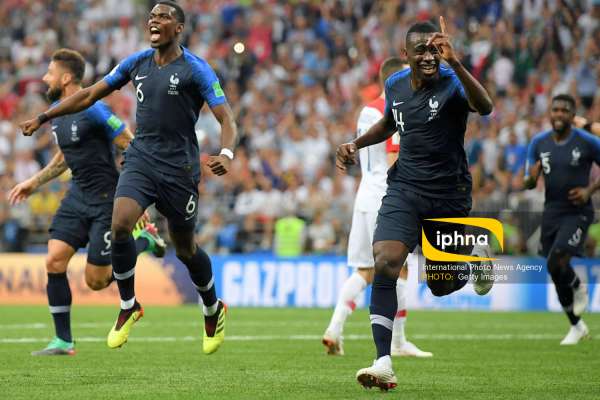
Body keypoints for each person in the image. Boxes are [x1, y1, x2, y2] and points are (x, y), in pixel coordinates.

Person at [19, 1, 238, 354]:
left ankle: (212, 308)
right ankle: (128, 305)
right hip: (141, 159)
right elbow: (89, 94)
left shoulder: (196, 69)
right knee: (120, 224)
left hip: (179, 169)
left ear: (178, 28)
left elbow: (226, 118)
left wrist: (226, 154)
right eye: (151, 16)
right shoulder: (136, 62)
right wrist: (44, 117)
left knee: (185, 249)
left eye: (163, 16)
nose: (154, 20)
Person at [336, 17, 493, 390]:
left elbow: (485, 106)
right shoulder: (395, 84)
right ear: (405, 54)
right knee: (385, 261)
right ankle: (383, 362)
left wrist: (456, 62)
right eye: (421, 49)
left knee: (440, 285)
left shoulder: (452, 81)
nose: (429, 56)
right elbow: (392, 123)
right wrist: (356, 144)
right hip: (404, 188)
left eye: (434, 49)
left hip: (448, 195)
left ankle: (474, 260)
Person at [8, 48, 165, 356]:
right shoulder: (57, 112)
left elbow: (129, 143)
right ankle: (63, 341)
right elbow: (65, 157)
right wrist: (33, 183)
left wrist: (136, 197)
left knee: (96, 281)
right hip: (77, 196)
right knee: (54, 260)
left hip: (107, 201)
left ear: (66, 78)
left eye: (50, 73)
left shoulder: (95, 110)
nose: (45, 78)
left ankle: (143, 241)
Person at [322, 57, 431, 358]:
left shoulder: (366, 110)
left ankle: (334, 328)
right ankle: (398, 342)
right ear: (396, 80)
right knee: (401, 269)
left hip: (365, 195)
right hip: (388, 198)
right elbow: (394, 157)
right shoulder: (394, 109)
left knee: (365, 270)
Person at [524, 94, 598, 345]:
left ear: (572, 115)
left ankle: (577, 285)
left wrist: (589, 190)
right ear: (550, 113)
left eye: (564, 110)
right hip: (551, 211)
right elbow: (527, 181)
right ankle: (576, 325)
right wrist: (531, 178)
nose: (559, 114)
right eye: (555, 109)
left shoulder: (587, 141)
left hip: (578, 210)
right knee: (554, 268)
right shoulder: (538, 142)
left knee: (557, 259)